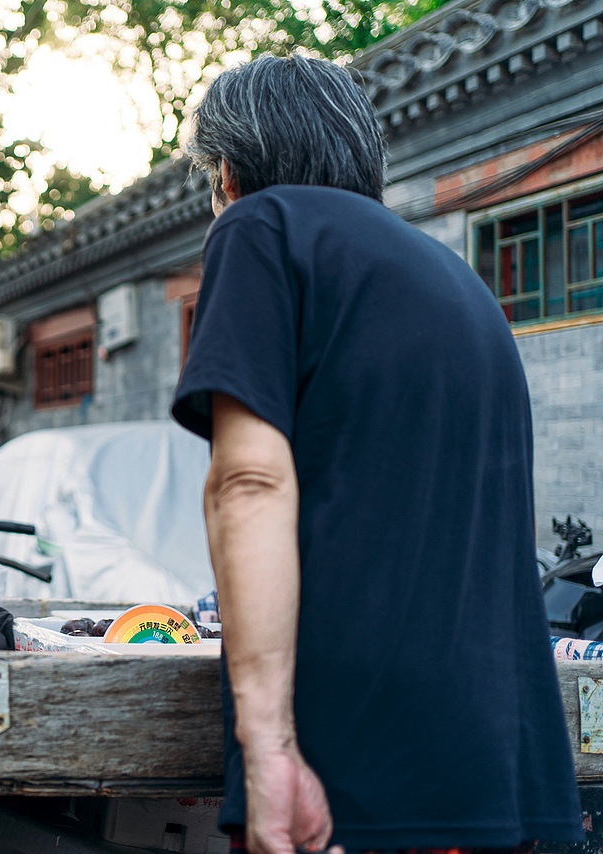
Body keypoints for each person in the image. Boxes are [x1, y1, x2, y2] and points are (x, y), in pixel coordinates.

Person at [170, 55, 582, 854]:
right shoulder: (457, 279)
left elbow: (250, 481)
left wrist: (270, 747)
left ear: (228, 172)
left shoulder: (263, 228)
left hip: (355, 754)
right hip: (506, 756)